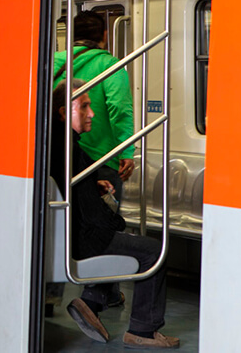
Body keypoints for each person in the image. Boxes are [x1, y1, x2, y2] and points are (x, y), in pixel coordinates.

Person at [51, 79, 179, 349]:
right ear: (64, 112)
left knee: (122, 237)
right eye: (84, 107)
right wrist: (117, 222)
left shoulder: (57, 142)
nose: (92, 113)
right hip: (82, 239)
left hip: (71, 232)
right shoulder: (68, 150)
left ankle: (93, 301)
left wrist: (92, 186)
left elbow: (74, 188)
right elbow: (96, 219)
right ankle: (143, 330)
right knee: (153, 251)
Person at [53, 11, 134, 203]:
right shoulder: (110, 65)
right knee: (103, 218)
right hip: (101, 158)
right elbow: (119, 109)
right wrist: (126, 152)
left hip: (61, 153)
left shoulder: (53, 62)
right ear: (105, 35)